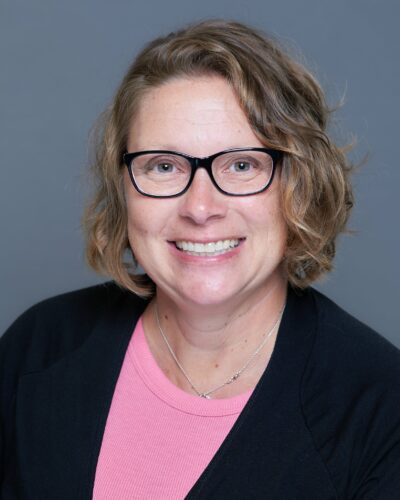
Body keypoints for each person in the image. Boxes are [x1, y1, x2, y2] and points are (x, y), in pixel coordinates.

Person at [1, 19, 399, 500]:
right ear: (124, 187)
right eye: (164, 166)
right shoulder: (39, 348)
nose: (200, 207)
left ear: (301, 184)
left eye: (242, 165)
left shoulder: (380, 407)